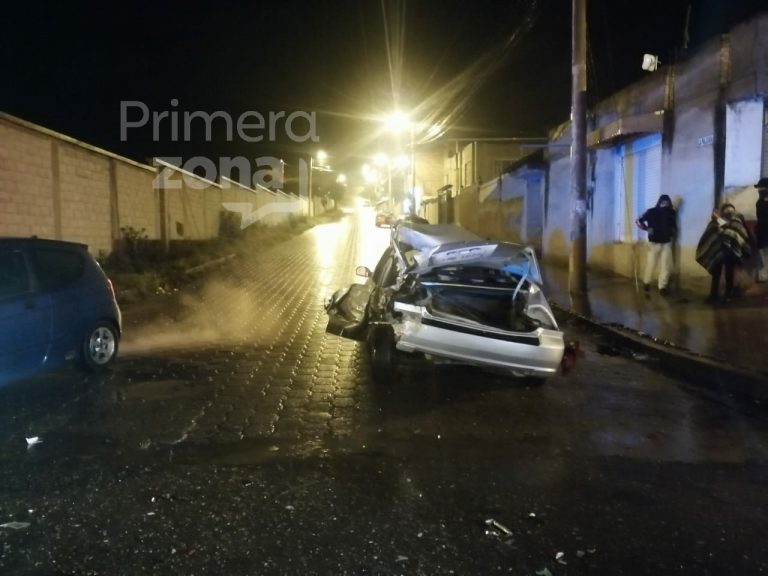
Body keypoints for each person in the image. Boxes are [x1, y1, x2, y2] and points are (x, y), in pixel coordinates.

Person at [695, 202, 752, 303]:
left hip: (731, 251)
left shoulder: (736, 220)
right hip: (718, 250)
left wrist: (718, 220)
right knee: (716, 274)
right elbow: (712, 232)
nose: (729, 212)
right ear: (723, 211)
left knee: (729, 273)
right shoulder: (716, 221)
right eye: (727, 210)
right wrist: (716, 220)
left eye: (731, 210)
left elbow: (735, 231)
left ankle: (728, 296)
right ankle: (713, 295)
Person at [636, 194, 677, 295]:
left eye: (667, 202)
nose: (665, 204)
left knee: (666, 266)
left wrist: (672, 232)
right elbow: (638, 221)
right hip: (654, 243)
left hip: (666, 242)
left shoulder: (671, 213)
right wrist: (646, 229)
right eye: (663, 202)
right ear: (659, 202)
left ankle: (662, 287)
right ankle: (646, 282)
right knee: (651, 263)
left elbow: (674, 225)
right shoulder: (651, 211)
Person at [755, 177, 768, 282]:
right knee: (765, 264)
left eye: (762, 190)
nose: (759, 192)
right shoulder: (759, 203)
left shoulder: (760, 202)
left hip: (764, 238)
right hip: (762, 238)